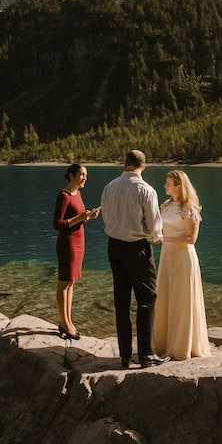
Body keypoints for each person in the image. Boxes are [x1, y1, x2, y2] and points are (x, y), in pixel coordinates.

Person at [100, 149, 167, 369]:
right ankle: (146, 355)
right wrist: (156, 237)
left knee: (121, 300)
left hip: (114, 246)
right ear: (143, 166)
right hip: (137, 248)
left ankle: (125, 356)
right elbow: (155, 227)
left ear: (124, 164)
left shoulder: (109, 187)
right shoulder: (146, 190)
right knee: (147, 298)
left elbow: (107, 218)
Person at [152, 170, 211, 360]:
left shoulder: (189, 209)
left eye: (168, 183)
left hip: (183, 258)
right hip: (168, 257)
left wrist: (164, 238)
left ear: (178, 186)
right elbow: (158, 227)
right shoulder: (166, 205)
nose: (165, 186)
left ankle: (183, 347)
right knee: (166, 297)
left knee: (182, 299)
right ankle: (164, 344)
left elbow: (190, 238)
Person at [52, 163, 99, 340]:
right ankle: (63, 323)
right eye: (81, 174)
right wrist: (80, 217)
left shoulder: (78, 194)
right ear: (71, 176)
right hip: (67, 244)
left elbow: (77, 219)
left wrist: (87, 217)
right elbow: (57, 224)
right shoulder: (63, 196)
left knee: (71, 282)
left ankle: (68, 321)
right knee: (64, 282)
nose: (85, 177)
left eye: (86, 174)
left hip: (79, 241)